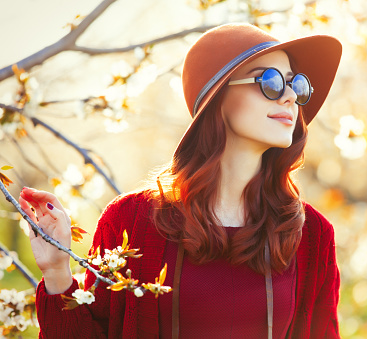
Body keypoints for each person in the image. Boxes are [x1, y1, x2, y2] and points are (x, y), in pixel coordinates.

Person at [19, 23, 342, 338]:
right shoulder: (131, 221)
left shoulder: (311, 234)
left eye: (297, 85)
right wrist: (57, 271)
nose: (289, 98)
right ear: (218, 96)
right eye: (271, 82)